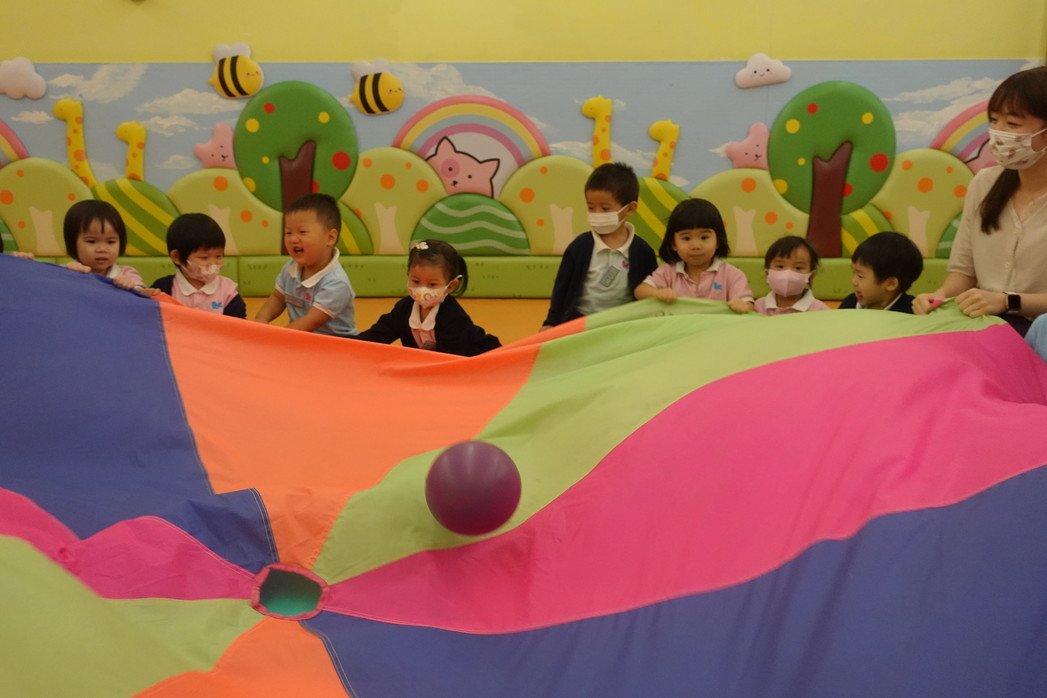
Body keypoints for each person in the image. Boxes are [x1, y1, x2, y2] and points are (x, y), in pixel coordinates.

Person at [913, 66, 1047, 335]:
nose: (998, 132)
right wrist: (938, 297)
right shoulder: (984, 184)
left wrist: (1008, 301)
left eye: (1012, 124)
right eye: (994, 120)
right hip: (985, 329)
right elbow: (964, 273)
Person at [541, 162, 658, 328]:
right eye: (591, 207)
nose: (596, 214)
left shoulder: (643, 252)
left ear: (630, 209)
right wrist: (550, 322)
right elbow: (561, 289)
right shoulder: (579, 247)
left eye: (605, 209)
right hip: (579, 321)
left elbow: (649, 292)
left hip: (622, 325)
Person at [355, 239, 500, 356]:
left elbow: (448, 356)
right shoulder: (404, 309)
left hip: (475, 355)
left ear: (451, 286)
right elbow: (379, 334)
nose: (422, 289)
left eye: (432, 284)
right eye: (416, 281)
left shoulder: (454, 316)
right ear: (408, 276)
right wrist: (351, 345)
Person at [254, 193, 357, 336]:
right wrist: (261, 319)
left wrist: (277, 337)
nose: (293, 239)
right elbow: (278, 298)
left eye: (302, 232)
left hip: (336, 343)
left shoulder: (336, 282)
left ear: (330, 237)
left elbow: (311, 321)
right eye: (288, 233)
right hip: (302, 337)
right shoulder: (290, 268)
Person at [635, 198, 754, 312]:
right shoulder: (667, 272)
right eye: (686, 238)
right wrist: (657, 293)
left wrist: (743, 305)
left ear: (718, 241)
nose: (696, 246)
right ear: (674, 244)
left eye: (704, 237)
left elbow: (748, 305)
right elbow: (640, 291)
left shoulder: (732, 275)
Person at [150, 213, 246, 318]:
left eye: (218, 256)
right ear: (177, 257)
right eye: (204, 257)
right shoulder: (163, 289)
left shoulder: (228, 293)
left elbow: (238, 325)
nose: (213, 263)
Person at [62, 200, 148, 292]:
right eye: (91, 241)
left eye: (110, 242)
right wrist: (66, 273)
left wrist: (131, 288)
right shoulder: (67, 270)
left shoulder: (127, 274)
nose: (102, 249)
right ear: (72, 243)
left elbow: (143, 294)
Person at [838, 231, 923, 312]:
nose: (854, 281)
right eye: (854, 272)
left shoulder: (912, 311)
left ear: (890, 284)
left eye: (860, 276)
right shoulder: (850, 303)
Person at [754, 235, 830, 315]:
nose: (788, 273)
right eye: (780, 266)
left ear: (811, 276)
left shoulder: (820, 310)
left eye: (798, 268)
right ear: (767, 273)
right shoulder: (758, 307)